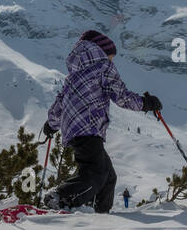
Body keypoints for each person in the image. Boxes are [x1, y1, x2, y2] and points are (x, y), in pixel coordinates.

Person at [43, 30, 161, 213]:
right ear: (102, 51)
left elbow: (60, 104)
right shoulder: (103, 67)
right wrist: (146, 103)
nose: (112, 61)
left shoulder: (73, 75)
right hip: (88, 128)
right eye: (111, 57)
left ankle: (98, 214)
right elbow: (121, 97)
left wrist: (51, 124)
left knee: (108, 177)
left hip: (77, 130)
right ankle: (59, 197)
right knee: (96, 172)